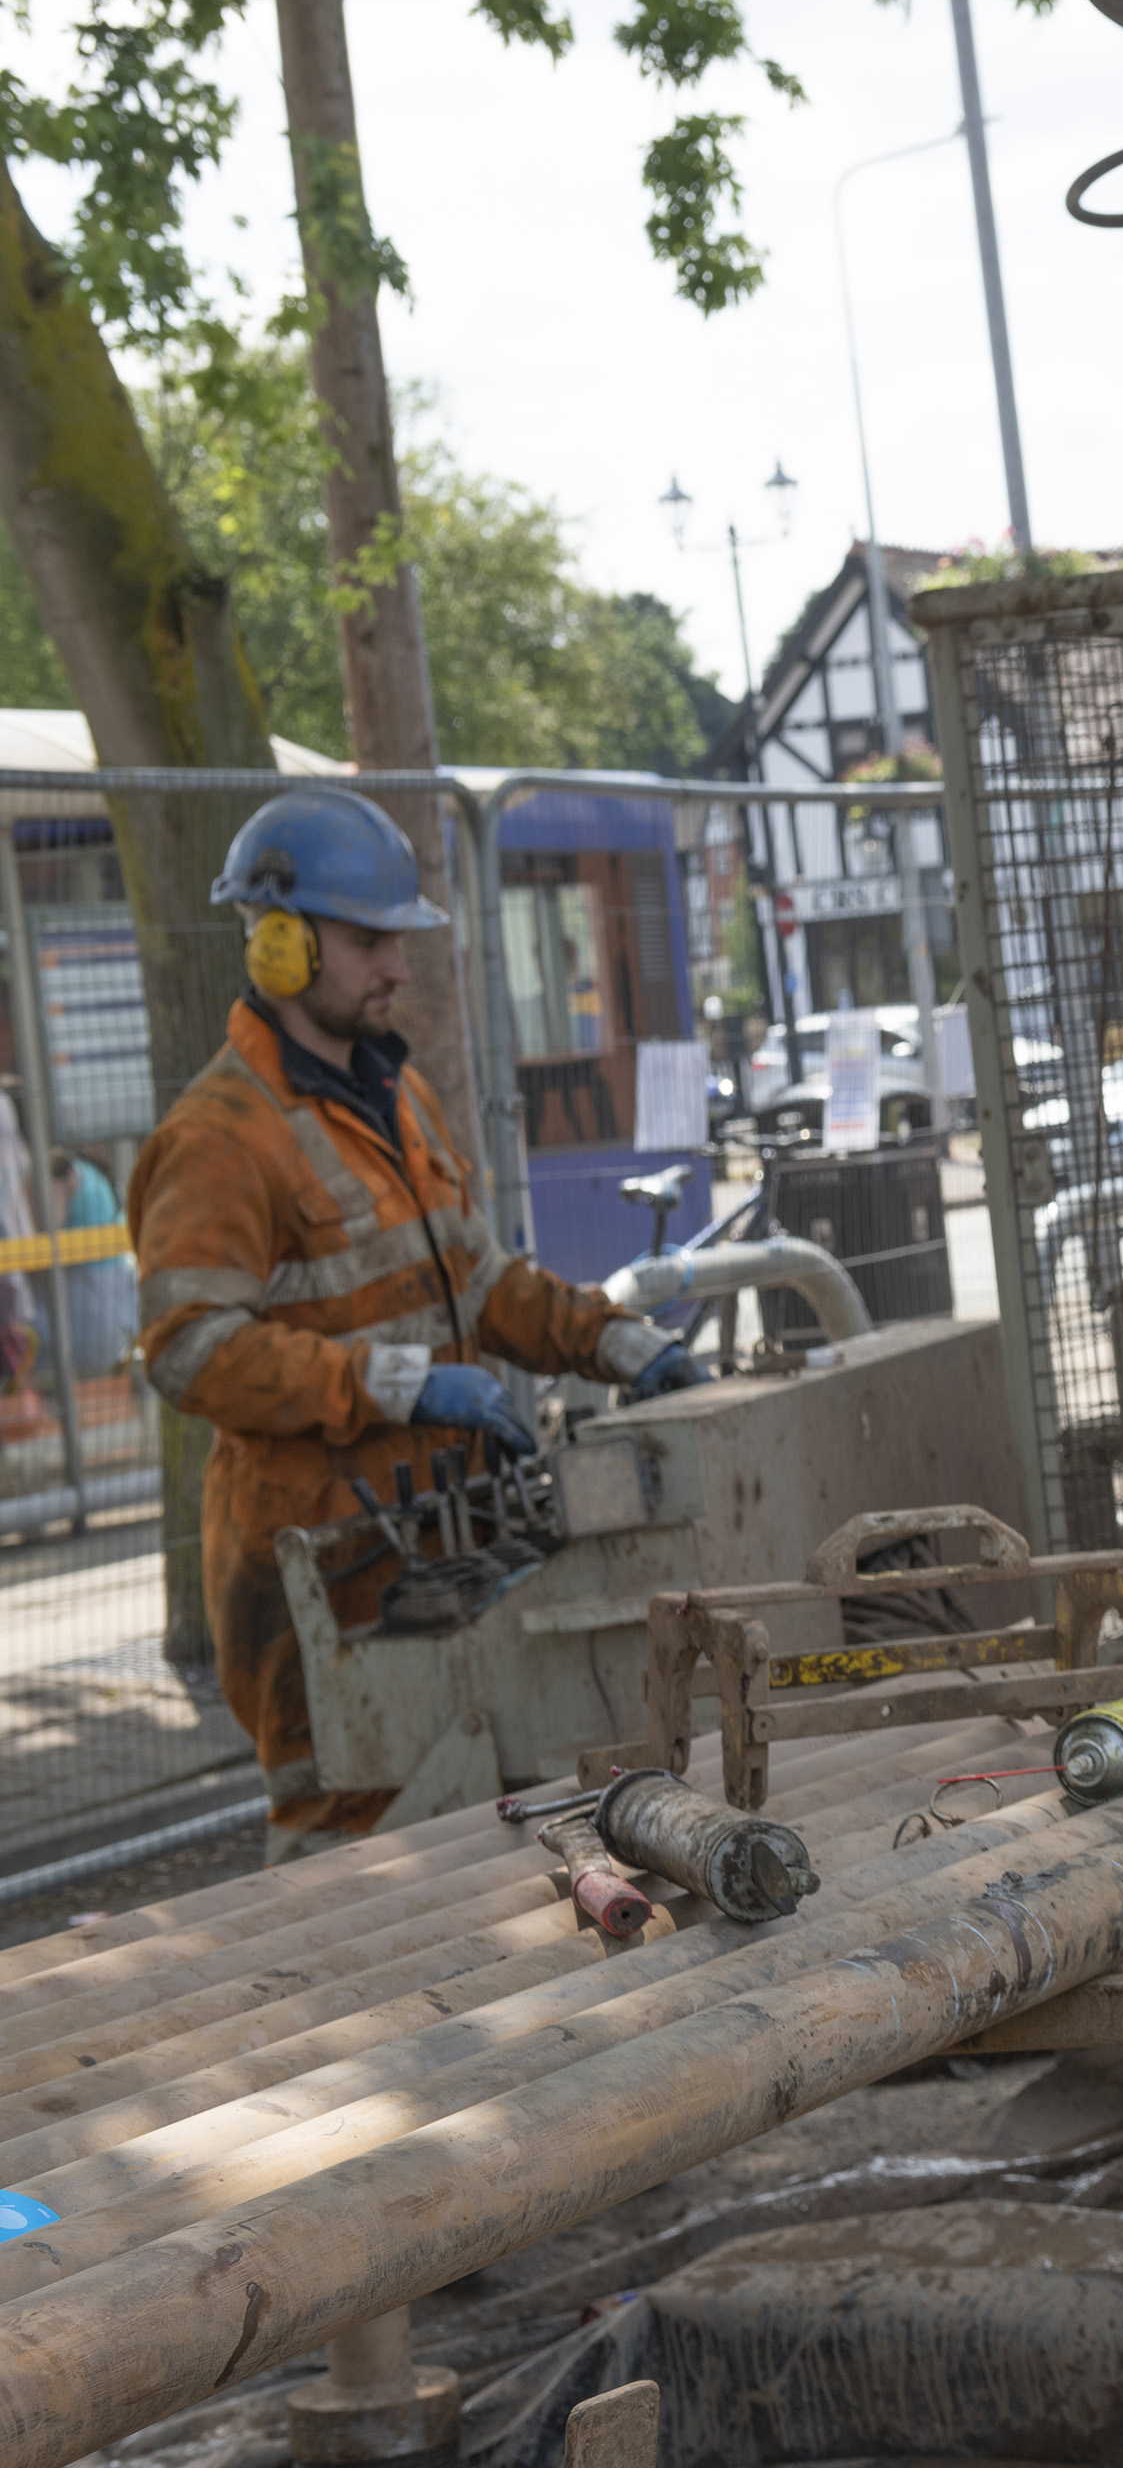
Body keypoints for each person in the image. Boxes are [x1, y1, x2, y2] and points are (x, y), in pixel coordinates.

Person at [132, 787, 707, 1859]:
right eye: (368, 941)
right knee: (345, 1850)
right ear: (281, 946)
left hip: (434, 1549)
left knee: (474, 1835)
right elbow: (188, 1349)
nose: (397, 966)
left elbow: (477, 1277)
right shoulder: (217, 1137)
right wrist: (395, 1383)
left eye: (398, 938)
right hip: (316, 1582)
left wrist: (617, 1341)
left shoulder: (397, 1096)